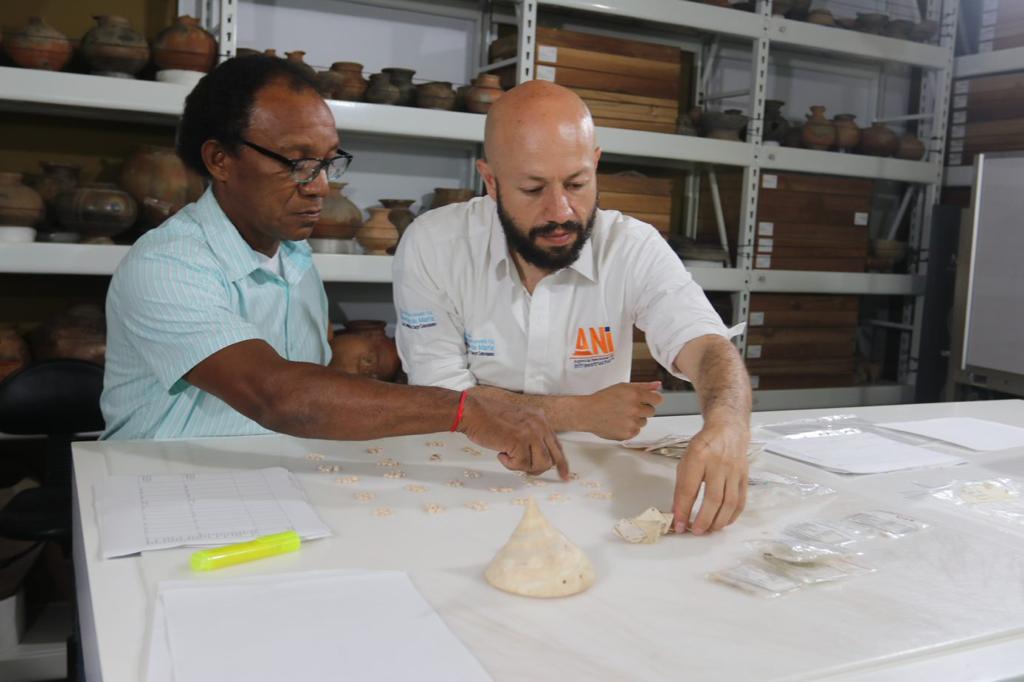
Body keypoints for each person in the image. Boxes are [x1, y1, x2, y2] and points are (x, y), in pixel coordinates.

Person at [100, 56, 566, 479]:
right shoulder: (167, 265)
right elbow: (278, 397)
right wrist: (465, 410)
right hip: (164, 487)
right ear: (220, 159)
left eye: (327, 162)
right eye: (299, 162)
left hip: (274, 482)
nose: (319, 186)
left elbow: (309, 391)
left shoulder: (295, 256)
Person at [393, 81, 752, 534]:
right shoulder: (433, 245)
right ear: (490, 181)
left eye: (577, 183)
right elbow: (442, 398)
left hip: (591, 490)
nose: (560, 211)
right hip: (461, 480)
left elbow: (706, 346)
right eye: (532, 188)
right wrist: (579, 412)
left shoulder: (631, 246)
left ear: (596, 164)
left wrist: (728, 424)